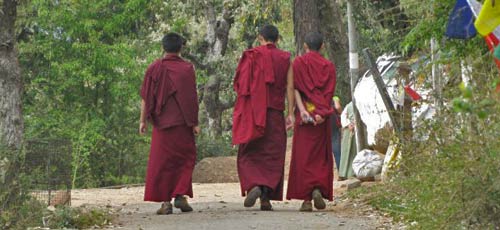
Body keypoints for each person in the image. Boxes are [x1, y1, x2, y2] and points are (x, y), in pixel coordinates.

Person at [232, 25, 294, 211]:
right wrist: (290, 113)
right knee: (272, 156)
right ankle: (265, 198)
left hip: (253, 113)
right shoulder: (285, 58)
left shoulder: (250, 55)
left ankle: (255, 185)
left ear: (260, 37)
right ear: (278, 39)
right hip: (275, 113)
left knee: (249, 152)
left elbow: (240, 87)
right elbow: (290, 88)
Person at [139, 33, 200, 215]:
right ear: (180, 48)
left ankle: (166, 202)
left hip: (162, 124)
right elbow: (191, 98)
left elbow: (146, 97)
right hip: (182, 123)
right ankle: (180, 195)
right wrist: (195, 123)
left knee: (163, 162)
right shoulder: (187, 68)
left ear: (163, 47)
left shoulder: (154, 68)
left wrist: (142, 120)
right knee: (184, 159)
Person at [286, 32, 336, 212]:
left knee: (303, 157)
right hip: (321, 119)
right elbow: (329, 93)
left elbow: (295, 89)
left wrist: (298, 111)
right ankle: (317, 189)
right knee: (319, 157)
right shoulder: (329, 66)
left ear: (305, 46)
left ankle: (306, 200)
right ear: (322, 47)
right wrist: (322, 114)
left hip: (304, 117)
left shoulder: (298, 63)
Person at [339, 102, 357, 180]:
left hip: (359, 132)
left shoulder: (364, 102)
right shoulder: (349, 105)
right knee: (345, 151)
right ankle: (342, 173)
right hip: (348, 131)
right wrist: (348, 124)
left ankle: (352, 173)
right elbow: (343, 115)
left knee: (355, 152)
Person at [331, 96, 342, 172]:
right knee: (337, 151)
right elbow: (338, 107)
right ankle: (341, 172)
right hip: (333, 125)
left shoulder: (317, 97)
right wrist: (341, 113)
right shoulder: (334, 97)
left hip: (321, 125)